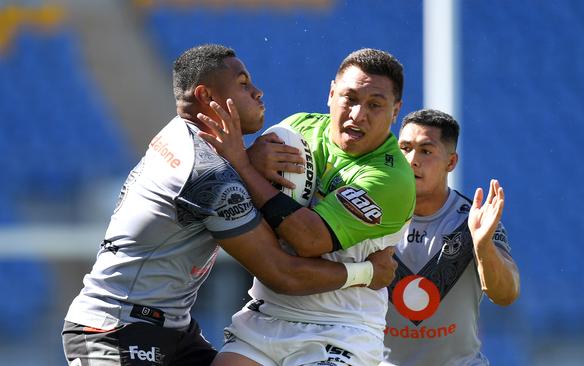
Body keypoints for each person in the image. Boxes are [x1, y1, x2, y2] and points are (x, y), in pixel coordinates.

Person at [61, 44, 398, 366]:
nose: (257, 92)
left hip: (171, 329)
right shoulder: (208, 175)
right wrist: (367, 272)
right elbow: (281, 273)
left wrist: (245, 163)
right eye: (243, 84)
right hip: (112, 329)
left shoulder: (182, 136)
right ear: (207, 97)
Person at [198, 48, 416, 366]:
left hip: (339, 330)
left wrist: (244, 168)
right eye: (350, 98)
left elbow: (309, 239)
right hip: (267, 315)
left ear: (395, 111)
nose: (358, 114)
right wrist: (250, 157)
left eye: (375, 105)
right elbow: (235, 191)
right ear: (330, 93)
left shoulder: (391, 178)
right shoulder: (297, 130)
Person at [381, 109, 520, 366]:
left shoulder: (474, 221)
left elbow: (506, 294)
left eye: (426, 150)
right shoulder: (371, 216)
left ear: (451, 162)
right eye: (405, 148)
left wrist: (482, 246)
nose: (412, 160)